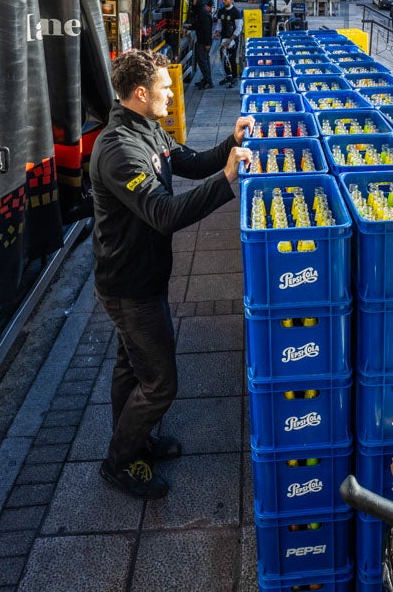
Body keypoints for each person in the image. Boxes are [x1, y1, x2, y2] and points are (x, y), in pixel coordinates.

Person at [90, 49, 253, 499]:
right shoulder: (120, 150)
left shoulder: (147, 129)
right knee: (160, 383)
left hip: (143, 277)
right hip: (129, 286)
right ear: (140, 93)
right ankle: (119, 462)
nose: (171, 94)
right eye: (164, 88)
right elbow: (162, 214)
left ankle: (136, 440)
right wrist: (226, 180)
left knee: (132, 365)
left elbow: (191, 161)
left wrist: (229, 144)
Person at [188, 0, 215, 88]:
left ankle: (208, 82)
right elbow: (198, 26)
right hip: (201, 40)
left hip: (203, 42)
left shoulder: (204, 14)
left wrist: (208, 44)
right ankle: (205, 80)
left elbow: (207, 30)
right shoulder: (200, 12)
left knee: (203, 61)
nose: (193, 0)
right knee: (202, 61)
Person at [216, 0, 242, 86]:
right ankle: (228, 75)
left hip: (233, 39)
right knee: (223, 57)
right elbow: (219, 24)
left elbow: (239, 28)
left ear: (231, 0)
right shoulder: (221, 11)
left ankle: (235, 78)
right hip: (223, 38)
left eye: (225, 0)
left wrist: (231, 39)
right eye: (223, 0)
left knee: (232, 58)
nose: (223, 1)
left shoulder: (236, 12)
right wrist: (217, 33)